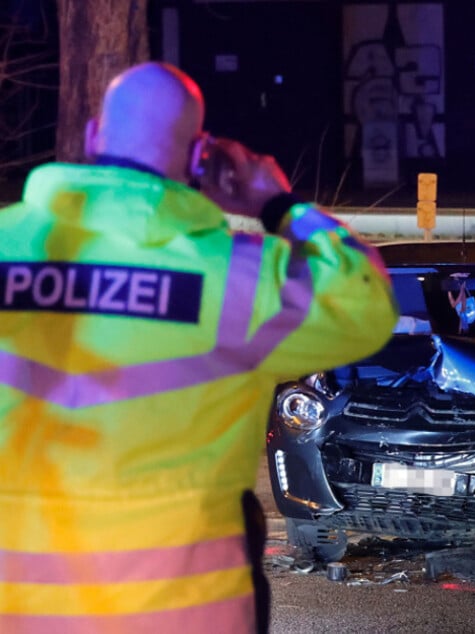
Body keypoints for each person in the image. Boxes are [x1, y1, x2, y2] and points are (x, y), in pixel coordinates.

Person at [0, 62, 397, 633]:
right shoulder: (236, 281)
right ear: (197, 158)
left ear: (92, 137)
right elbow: (366, 301)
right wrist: (276, 203)